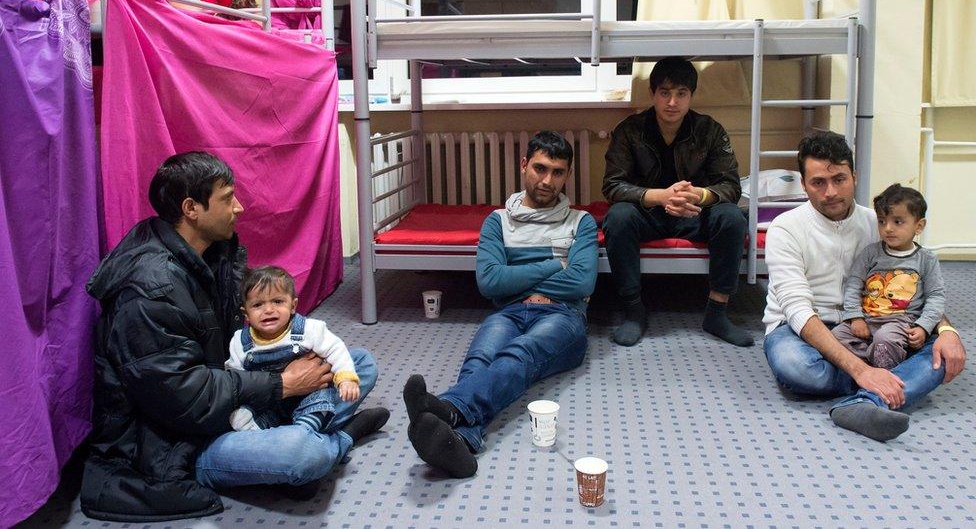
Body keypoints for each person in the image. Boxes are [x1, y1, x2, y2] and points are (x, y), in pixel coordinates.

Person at [82, 152, 387, 522]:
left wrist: (288, 356)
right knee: (303, 453)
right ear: (192, 208)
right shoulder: (150, 290)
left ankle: (295, 440)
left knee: (357, 363)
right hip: (176, 442)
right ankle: (340, 437)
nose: (239, 207)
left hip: (230, 399)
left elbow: (235, 343)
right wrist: (281, 385)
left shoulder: (210, 254)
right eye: (228, 198)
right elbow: (184, 398)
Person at [401, 131, 598, 478]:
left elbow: (581, 283)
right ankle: (462, 439)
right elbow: (489, 282)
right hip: (508, 311)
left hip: (564, 315)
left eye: (557, 172)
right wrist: (554, 264)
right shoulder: (497, 221)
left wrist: (515, 278)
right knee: (479, 359)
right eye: (539, 168)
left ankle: (449, 407)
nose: (547, 179)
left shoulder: (580, 222)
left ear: (567, 175)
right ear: (524, 165)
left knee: (520, 353)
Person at [763, 131, 965, 443]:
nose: (831, 191)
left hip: (877, 324)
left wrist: (948, 331)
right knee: (796, 366)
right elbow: (798, 311)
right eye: (818, 182)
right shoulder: (784, 229)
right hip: (799, 328)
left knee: (942, 356)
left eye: (840, 179)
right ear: (804, 185)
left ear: (854, 176)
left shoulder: (881, 224)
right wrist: (862, 370)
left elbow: (916, 286)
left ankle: (864, 402)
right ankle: (885, 383)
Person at [602, 56, 751, 347]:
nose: (672, 102)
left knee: (732, 217)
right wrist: (660, 196)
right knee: (618, 216)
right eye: (665, 93)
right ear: (653, 94)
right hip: (650, 216)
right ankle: (634, 311)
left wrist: (698, 195)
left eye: (681, 93)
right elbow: (613, 186)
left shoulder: (710, 130)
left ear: (691, 95)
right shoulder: (630, 130)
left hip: (695, 214)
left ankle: (717, 312)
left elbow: (731, 186)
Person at [226, 265, 379, 432]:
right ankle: (310, 437)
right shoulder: (240, 342)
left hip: (308, 401)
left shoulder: (308, 329)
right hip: (267, 405)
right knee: (240, 420)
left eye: (278, 301)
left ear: (293, 305)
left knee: (361, 362)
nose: (268, 310)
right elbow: (235, 378)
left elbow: (335, 349)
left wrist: (346, 378)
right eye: (258, 305)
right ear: (246, 314)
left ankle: (303, 431)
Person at [830, 184, 945, 369]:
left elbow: (936, 297)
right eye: (882, 221)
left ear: (919, 226)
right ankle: (873, 358)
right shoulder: (870, 253)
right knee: (834, 338)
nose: (888, 228)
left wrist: (924, 326)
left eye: (898, 222)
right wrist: (855, 316)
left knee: (885, 339)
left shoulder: (926, 259)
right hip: (867, 319)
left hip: (901, 322)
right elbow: (853, 285)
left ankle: (881, 361)